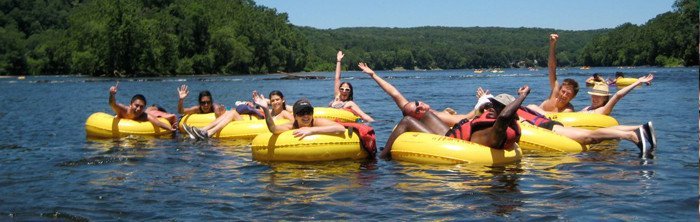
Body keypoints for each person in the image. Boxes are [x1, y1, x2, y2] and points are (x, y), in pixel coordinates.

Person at [358, 62, 527, 159]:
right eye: (416, 109)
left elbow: (502, 117)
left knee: (407, 121)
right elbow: (396, 95)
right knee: (411, 112)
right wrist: (373, 75)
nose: (420, 107)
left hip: (451, 140)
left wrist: (522, 96)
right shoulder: (495, 120)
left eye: (495, 106)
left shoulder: (499, 128)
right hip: (453, 133)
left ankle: (381, 158)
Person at [483, 91, 657, 156]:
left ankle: (631, 136)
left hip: (549, 128)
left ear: (505, 108)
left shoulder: (512, 115)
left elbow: (513, 124)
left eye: (496, 105)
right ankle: (640, 128)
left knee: (589, 137)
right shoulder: (522, 110)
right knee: (593, 134)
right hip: (551, 125)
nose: (492, 108)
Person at [184, 91, 294, 140]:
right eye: (273, 100)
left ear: (282, 100)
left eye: (278, 100)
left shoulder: (285, 111)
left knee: (232, 113)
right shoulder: (270, 110)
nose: (275, 102)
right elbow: (263, 109)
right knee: (230, 112)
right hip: (253, 124)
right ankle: (203, 130)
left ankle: (207, 132)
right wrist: (253, 105)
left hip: (262, 128)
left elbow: (294, 122)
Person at [258, 99, 346, 138]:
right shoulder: (292, 126)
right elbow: (273, 129)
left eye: (309, 112)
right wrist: (266, 109)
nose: (306, 116)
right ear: (295, 116)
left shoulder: (316, 122)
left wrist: (312, 130)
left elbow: (341, 128)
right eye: (301, 113)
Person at [108, 82, 176, 132]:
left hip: (153, 110)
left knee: (154, 111)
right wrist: (112, 94)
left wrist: (170, 128)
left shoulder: (144, 115)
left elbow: (158, 123)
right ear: (130, 105)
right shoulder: (123, 110)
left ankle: (156, 107)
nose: (138, 109)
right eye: (136, 105)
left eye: (141, 107)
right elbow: (112, 104)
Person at [537, 34, 579, 113]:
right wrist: (552, 45)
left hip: (543, 122)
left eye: (568, 94)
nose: (564, 95)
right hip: (531, 120)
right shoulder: (555, 90)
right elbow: (552, 67)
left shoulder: (568, 110)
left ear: (573, 97)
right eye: (563, 91)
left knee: (532, 107)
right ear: (559, 90)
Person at [330, 51, 374, 122]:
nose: (344, 91)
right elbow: (337, 78)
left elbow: (363, 115)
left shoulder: (350, 103)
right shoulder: (337, 97)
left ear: (350, 92)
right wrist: (338, 61)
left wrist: (375, 123)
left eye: (347, 90)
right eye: (342, 89)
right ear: (339, 90)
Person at [581, 74, 654, 115]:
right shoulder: (587, 108)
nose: (595, 99)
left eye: (598, 97)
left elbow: (618, 95)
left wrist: (638, 82)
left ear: (605, 99)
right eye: (593, 96)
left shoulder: (604, 109)